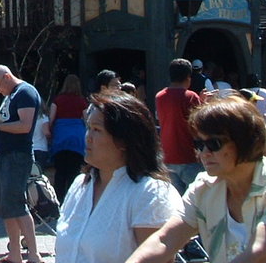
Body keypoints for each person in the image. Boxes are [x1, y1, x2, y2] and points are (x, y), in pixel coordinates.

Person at [124, 94, 266, 263]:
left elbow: (260, 253)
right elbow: (164, 240)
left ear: (244, 141)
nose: (204, 152)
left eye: (214, 144)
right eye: (199, 144)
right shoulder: (203, 188)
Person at [56, 92, 182, 263]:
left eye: (97, 130)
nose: (88, 137)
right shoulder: (80, 185)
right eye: (88, 128)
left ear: (123, 141)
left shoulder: (150, 193)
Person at [0, 64, 42, 263]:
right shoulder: (10, 96)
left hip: (17, 157)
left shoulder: (25, 93)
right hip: (2, 155)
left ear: (7, 77)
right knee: (7, 207)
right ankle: (14, 253)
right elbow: (5, 128)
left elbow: (24, 126)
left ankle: (34, 254)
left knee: (16, 204)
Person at [155, 58, 203, 195]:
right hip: (189, 156)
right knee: (197, 197)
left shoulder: (159, 96)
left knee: (176, 199)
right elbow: (200, 124)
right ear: (188, 77)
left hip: (168, 157)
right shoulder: (191, 96)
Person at [48, 73, 87, 202]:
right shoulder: (82, 101)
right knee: (74, 172)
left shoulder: (58, 100)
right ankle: (72, 200)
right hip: (77, 138)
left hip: (61, 137)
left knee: (60, 172)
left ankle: (58, 200)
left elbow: (51, 118)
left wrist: (50, 133)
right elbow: (87, 120)